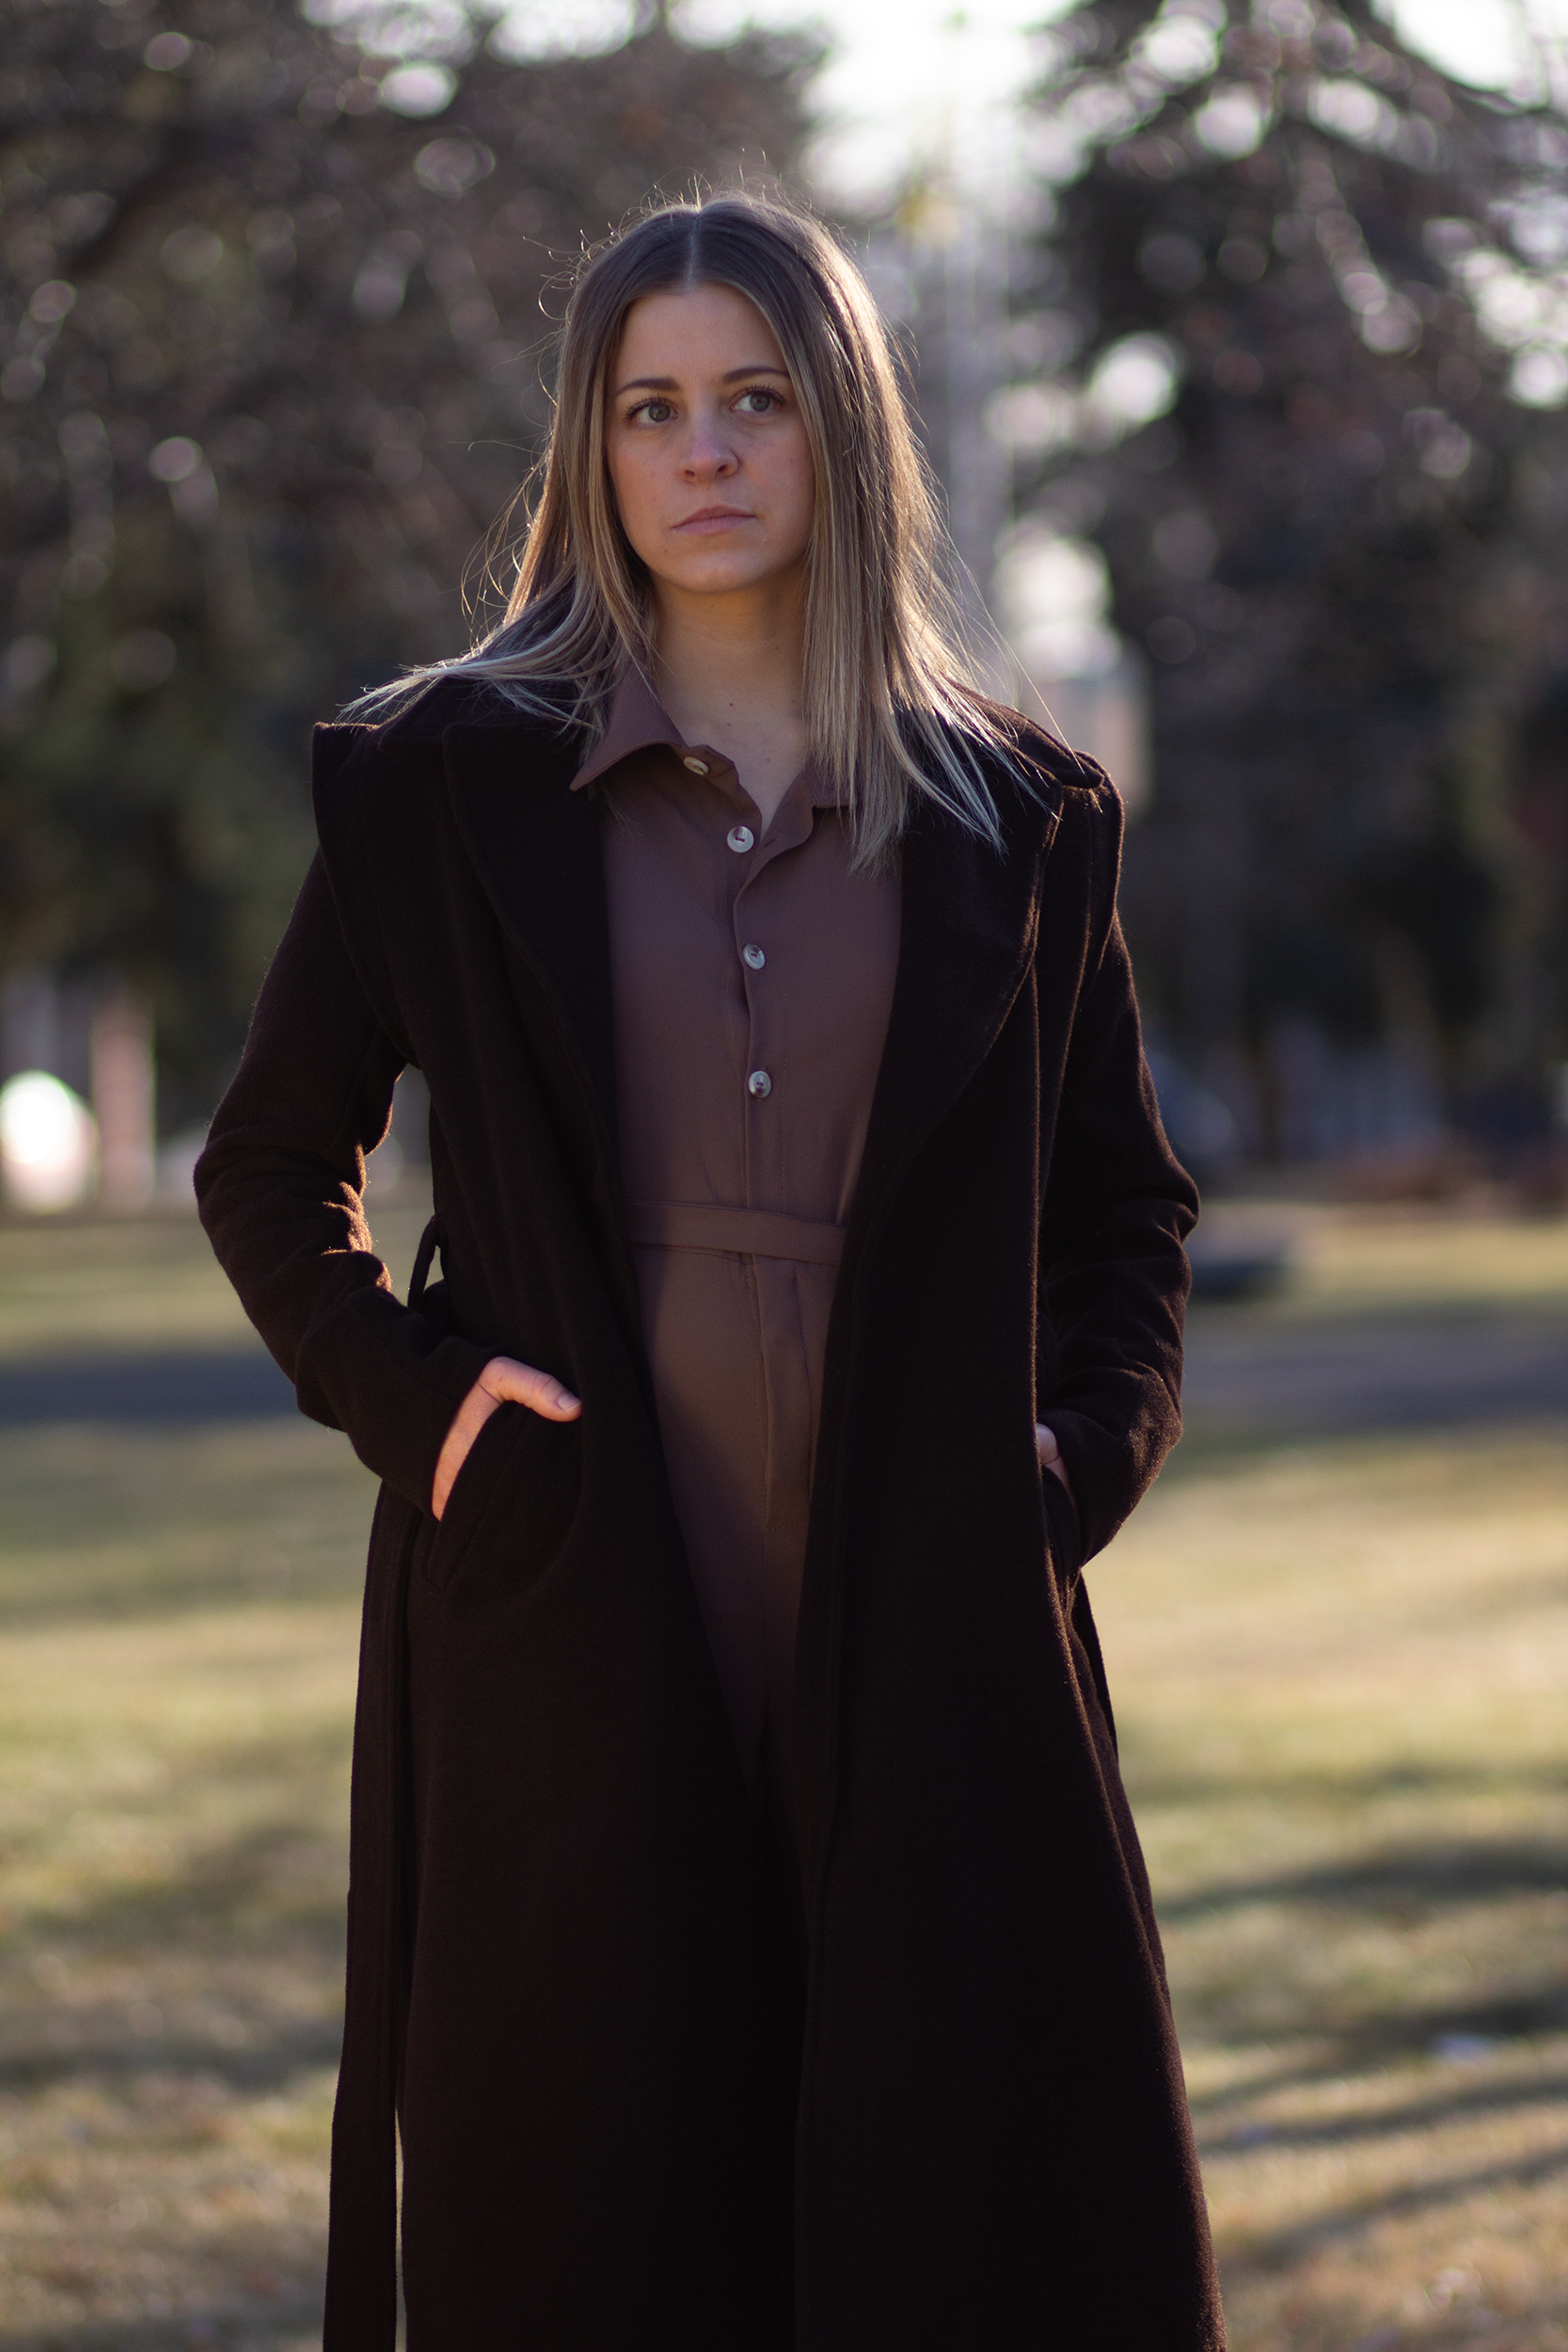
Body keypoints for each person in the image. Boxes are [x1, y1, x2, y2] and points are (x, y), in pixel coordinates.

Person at [197, 192, 1224, 2352]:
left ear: (841, 425)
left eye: (754, 397)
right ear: (591, 450)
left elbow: (1124, 1214)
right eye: (649, 407)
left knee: (953, 2189)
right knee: (595, 2197)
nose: (705, 451)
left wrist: (1052, 1476)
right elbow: (273, 1166)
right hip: (578, 1574)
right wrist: (424, 1410)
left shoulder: (1012, 813)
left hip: (924, 1586)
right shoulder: (437, 784)